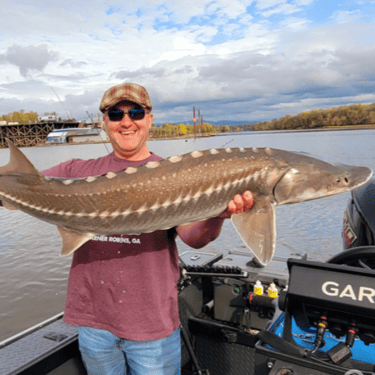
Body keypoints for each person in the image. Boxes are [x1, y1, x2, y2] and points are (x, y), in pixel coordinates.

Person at [31, 83, 255, 374]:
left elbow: (194, 238)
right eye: (116, 114)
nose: (126, 121)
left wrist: (218, 214)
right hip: (93, 324)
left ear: (149, 120)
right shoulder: (75, 171)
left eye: (136, 113)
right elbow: (19, 183)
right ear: (105, 122)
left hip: (152, 329)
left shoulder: (177, 175)